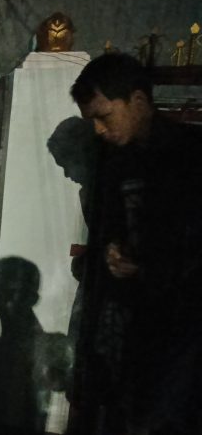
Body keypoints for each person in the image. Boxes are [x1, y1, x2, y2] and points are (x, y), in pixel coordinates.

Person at [69, 53, 202, 435]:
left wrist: (147, 266)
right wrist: (109, 252)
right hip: (124, 323)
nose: (98, 130)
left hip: (178, 330)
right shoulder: (114, 159)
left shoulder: (190, 158)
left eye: (104, 117)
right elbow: (109, 227)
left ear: (138, 101)